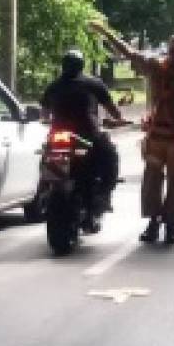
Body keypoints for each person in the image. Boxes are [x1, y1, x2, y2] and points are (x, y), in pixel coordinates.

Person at [91, 23, 174, 245]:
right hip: (173, 139)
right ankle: (166, 227)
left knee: (154, 182)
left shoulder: (156, 67)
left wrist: (106, 32)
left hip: (160, 137)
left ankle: (157, 225)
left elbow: (128, 52)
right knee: (168, 184)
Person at [41, 48, 126, 233]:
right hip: (88, 137)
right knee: (111, 157)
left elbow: (44, 114)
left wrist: (48, 120)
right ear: (82, 65)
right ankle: (103, 195)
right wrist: (118, 119)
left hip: (58, 137)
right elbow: (114, 111)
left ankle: (46, 190)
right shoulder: (94, 84)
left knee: (46, 156)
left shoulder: (53, 86)